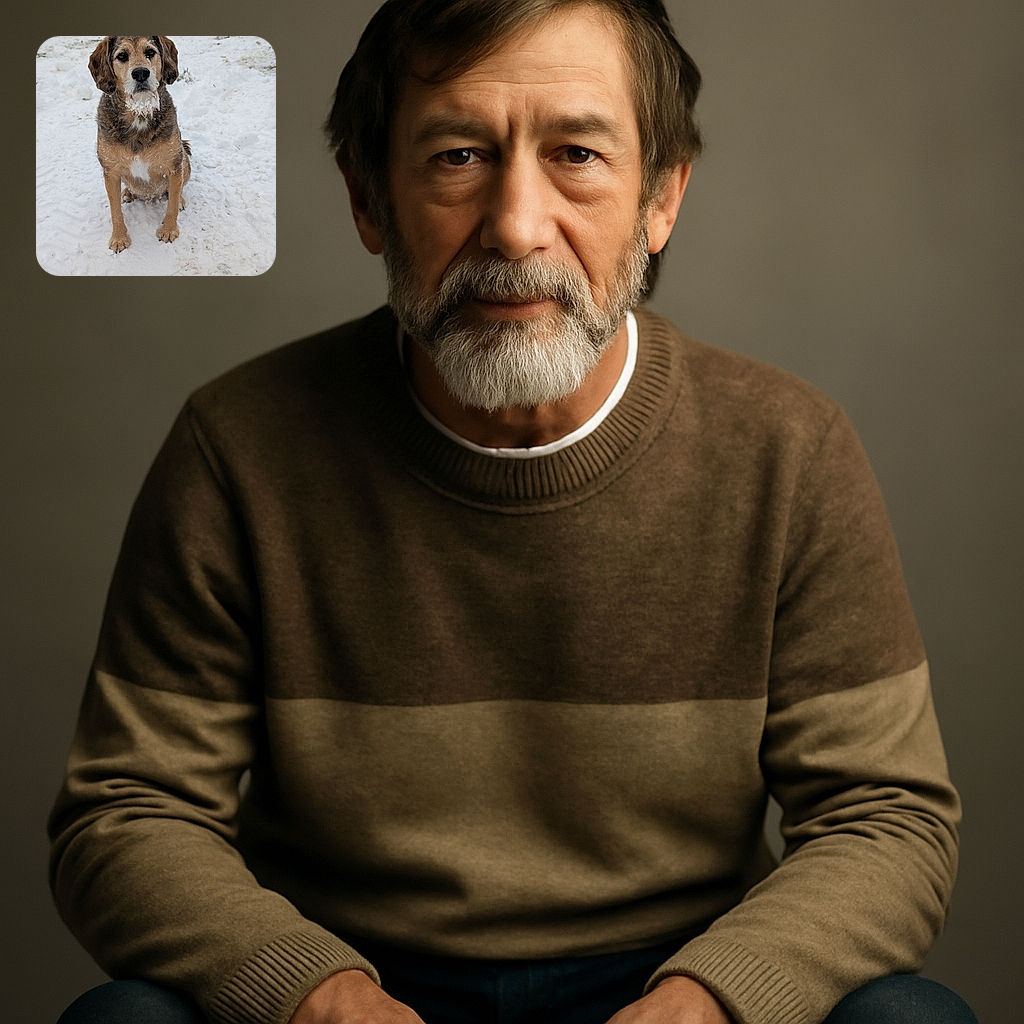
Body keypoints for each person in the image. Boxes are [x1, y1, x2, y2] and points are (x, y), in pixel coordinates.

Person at [49, 2, 977, 1023]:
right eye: (456, 156)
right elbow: (125, 812)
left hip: (679, 981)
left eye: (576, 152)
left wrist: (714, 999)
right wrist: (313, 991)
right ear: (368, 199)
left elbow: (883, 817)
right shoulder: (237, 451)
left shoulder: (790, 451)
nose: (515, 227)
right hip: (342, 979)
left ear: (662, 199)